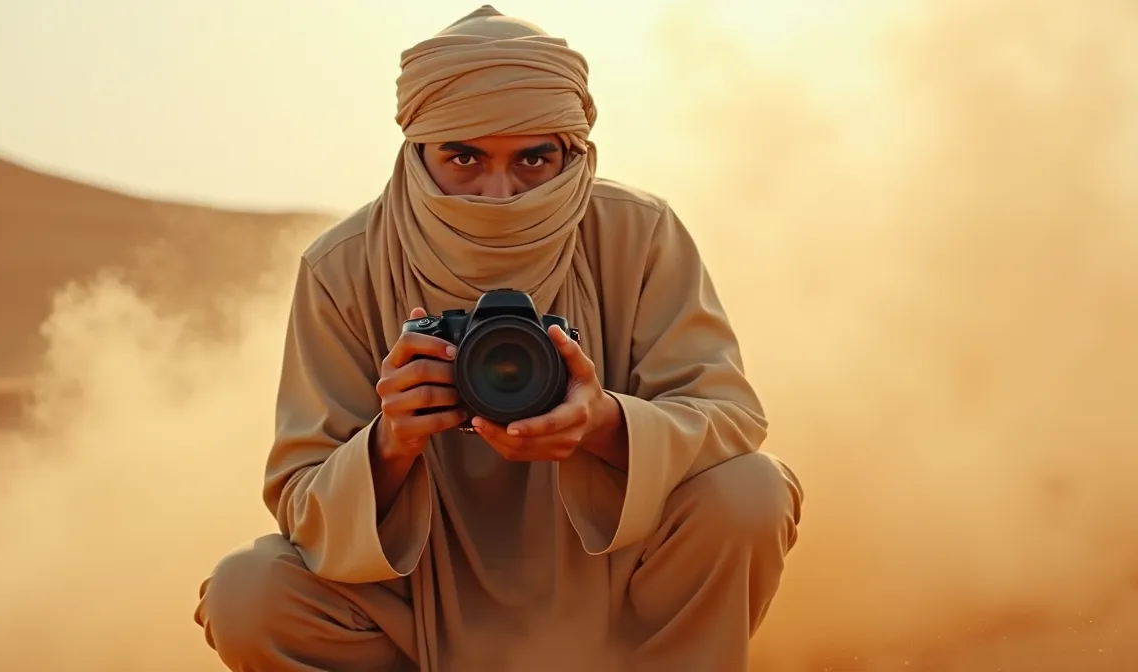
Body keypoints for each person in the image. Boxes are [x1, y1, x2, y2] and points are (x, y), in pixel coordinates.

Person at [193, 5, 803, 671]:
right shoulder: (342, 267)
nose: (500, 192)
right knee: (248, 594)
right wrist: (391, 443)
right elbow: (299, 499)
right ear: (418, 149)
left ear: (574, 150)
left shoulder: (638, 232)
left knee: (750, 491)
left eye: (535, 159)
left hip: (621, 589)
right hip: (415, 611)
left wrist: (602, 424)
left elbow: (731, 418)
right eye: (464, 156)